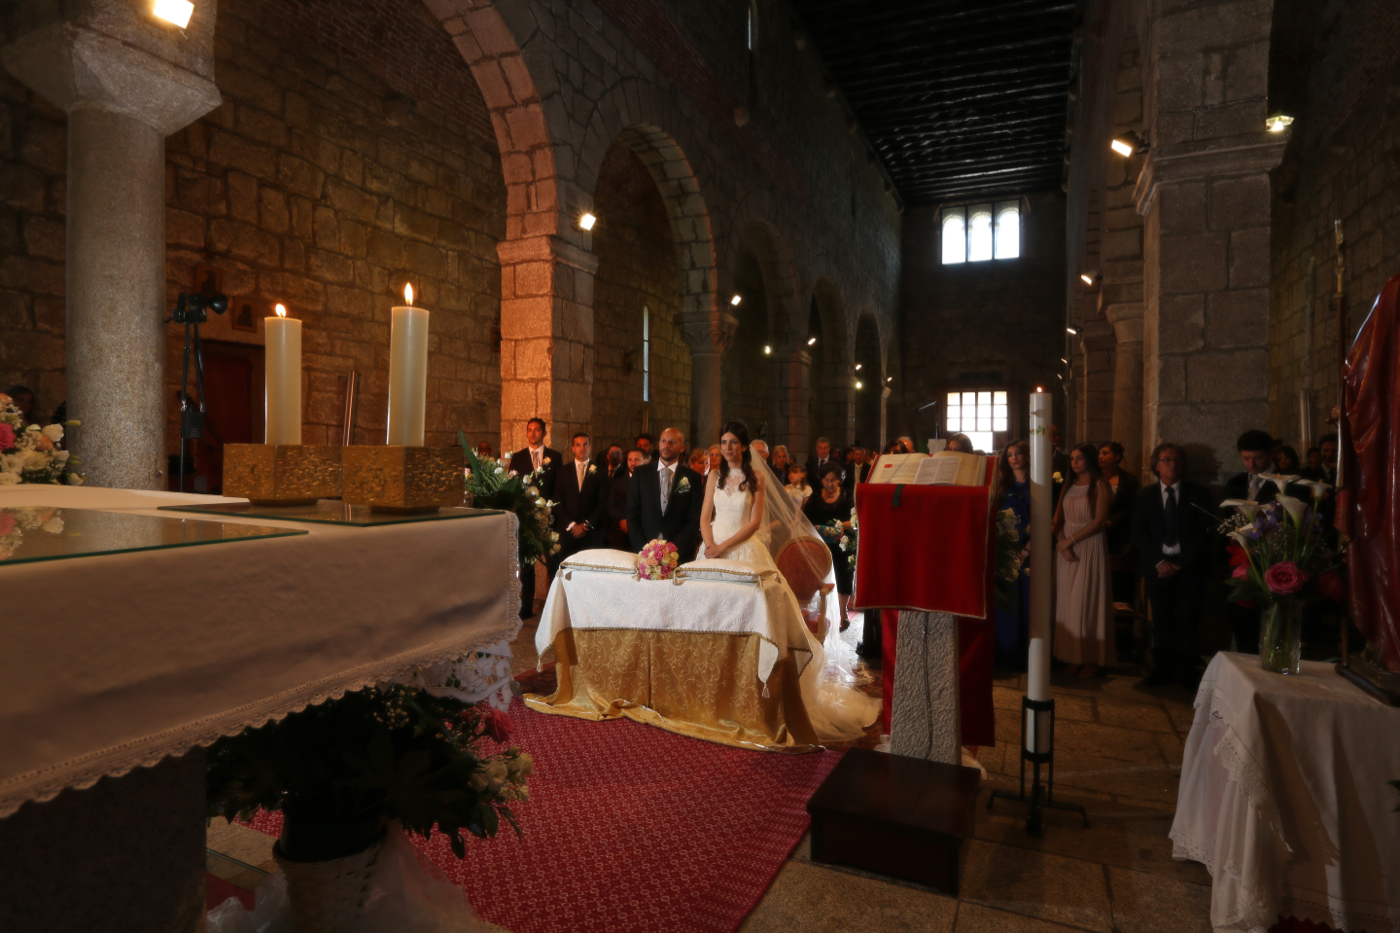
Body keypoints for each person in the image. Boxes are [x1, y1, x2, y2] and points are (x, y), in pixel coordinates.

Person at [1132, 444, 1213, 687]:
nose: (1173, 464)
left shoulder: (1198, 494)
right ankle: (1161, 670)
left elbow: (1204, 532)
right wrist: (1159, 562)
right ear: (1156, 466)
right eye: (1166, 460)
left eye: (1177, 460)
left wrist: (1182, 563)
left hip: (1188, 569)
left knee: (1187, 620)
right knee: (1161, 621)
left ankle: (1186, 675)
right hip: (1157, 568)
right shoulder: (1144, 495)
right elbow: (1139, 533)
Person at [1053, 442, 1114, 677]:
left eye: (1079, 458)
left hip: (1089, 545)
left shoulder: (1100, 485)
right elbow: (1057, 519)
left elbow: (1099, 521)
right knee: (1069, 604)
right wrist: (1062, 543)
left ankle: (1091, 658)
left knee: (1087, 600)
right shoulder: (1068, 485)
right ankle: (1072, 657)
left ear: (1089, 459)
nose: (1074, 462)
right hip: (1066, 549)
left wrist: (1070, 541)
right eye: (1072, 458)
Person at [1222, 429, 1282, 653]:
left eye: (1258, 458)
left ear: (1271, 454)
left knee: (1270, 629)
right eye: (1246, 458)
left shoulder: (1285, 482)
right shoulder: (1236, 483)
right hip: (1239, 562)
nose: (1252, 464)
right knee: (1241, 628)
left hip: (1270, 562)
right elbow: (1225, 521)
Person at [507, 418, 561, 620]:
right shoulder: (518, 457)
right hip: (526, 517)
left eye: (537, 430)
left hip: (548, 517)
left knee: (553, 563)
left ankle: (553, 606)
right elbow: (513, 485)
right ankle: (526, 607)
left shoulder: (555, 457)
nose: (533, 433)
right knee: (527, 564)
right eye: (529, 430)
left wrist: (549, 508)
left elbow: (559, 486)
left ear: (544, 433)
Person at [700, 422, 771, 567]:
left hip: (743, 545)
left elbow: (755, 523)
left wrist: (722, 548)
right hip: (713, 544)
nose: (727, 447)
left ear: (744, 446)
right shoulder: (714, 475)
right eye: (724, 442)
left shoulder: (757, 477)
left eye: (733, 442)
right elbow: (705, 518)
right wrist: (710, 547)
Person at [625, 427, 704, 557]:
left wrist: (674, 548)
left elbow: (694, 518)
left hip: (678, 552)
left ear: (682, 448)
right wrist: (643, 549)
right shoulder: (641, 473)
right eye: (663, 441)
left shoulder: (692, 477)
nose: (666, 445)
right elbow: (632, 512)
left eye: (672, 442)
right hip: (644, 549)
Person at [993, 440, 1031, 669]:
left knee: (1026, 603)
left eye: (1018, 453)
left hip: (1028, 554)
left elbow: (1043, 521)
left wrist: (1027, 550)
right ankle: (1005, 652)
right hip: (1005, 553)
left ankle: (1025, 656)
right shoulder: (1002, 485)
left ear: (1027, 455)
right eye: (1009, 454)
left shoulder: (1036, 485)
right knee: (1006, 605)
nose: (1014, 458)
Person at [804, 461, 856, 627]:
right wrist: (815, 528)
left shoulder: (848, 495)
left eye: (833, 480)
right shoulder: (815, 498)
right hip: (820, 544)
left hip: (843, 542)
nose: (830, 483)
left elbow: (856, 520)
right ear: (821, 480)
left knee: (844, 575)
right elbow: (805, 520)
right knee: (820, 577)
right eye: (827, 480)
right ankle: (821, 611)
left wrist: (839, 526)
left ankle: (843, 611)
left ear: (840, 479)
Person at [1099, 441, 1141, 606]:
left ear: (1117, 457)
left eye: (1105, 453)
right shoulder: (1093, 477)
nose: (1100, 457)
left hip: (1119, 535)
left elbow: (1132, 506)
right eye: (1099, 453)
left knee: (1119, 582)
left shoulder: (1128, 479)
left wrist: (1112, 520)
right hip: (1095, 532)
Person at [607, 448, 646, 550]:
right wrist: (622, 520)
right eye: (630, 459)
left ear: (645, 461)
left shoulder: (651, 483)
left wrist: (633, 522)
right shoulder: (617, 482)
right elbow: (611, 507)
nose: (633, 463)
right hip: (620, 532)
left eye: (637, 460)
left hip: (642, 532)